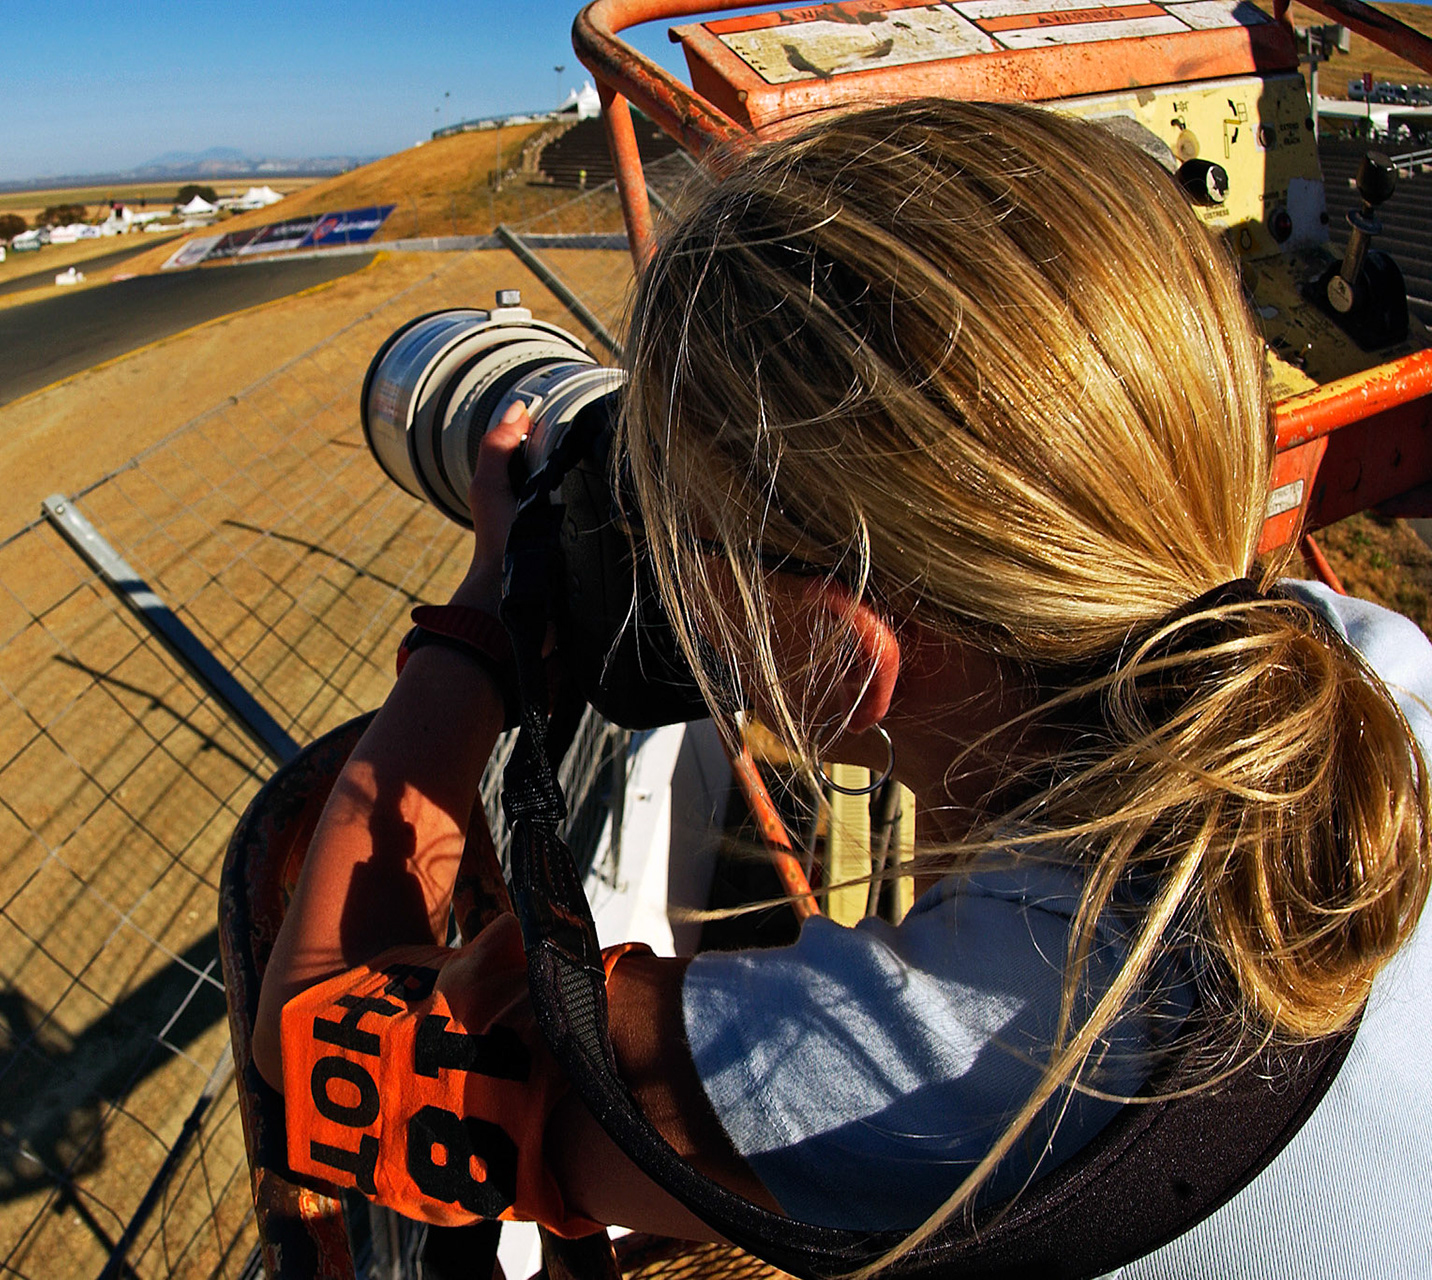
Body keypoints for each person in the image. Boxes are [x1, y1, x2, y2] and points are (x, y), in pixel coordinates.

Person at [252, 99, 1432, 1274]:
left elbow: (326, 1046)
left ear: (843, 647)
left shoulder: (923, 1071)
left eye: (680, 533)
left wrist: (485, 619)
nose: (659, 558)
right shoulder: (1366, 673)